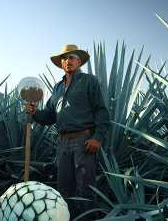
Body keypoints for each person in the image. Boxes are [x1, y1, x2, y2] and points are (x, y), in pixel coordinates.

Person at [26, 44, 110, 218]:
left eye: (71, 57)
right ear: (61, 64)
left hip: (84, 141)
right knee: (64, 187)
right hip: (63, 143)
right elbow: (50, 115)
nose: (67, 61)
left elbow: (101, 110)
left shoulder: (89, 81)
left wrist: (97, 137)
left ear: (79, 61)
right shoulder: (57, 88)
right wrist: (35, 113)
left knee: (85, 188)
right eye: (64, 59)